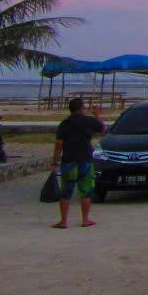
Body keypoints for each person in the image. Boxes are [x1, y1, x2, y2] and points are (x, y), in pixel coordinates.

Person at [51, 97, 105, 229]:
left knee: (66, 192)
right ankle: (85, 219)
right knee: (86, 191)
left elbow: (59, 144)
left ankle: (64, 221)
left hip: (69, 160)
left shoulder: (64, 124)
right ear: (81, 108)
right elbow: (102, 129)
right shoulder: (88, 121)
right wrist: (97, 114)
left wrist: (55, 162)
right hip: (85, 159)